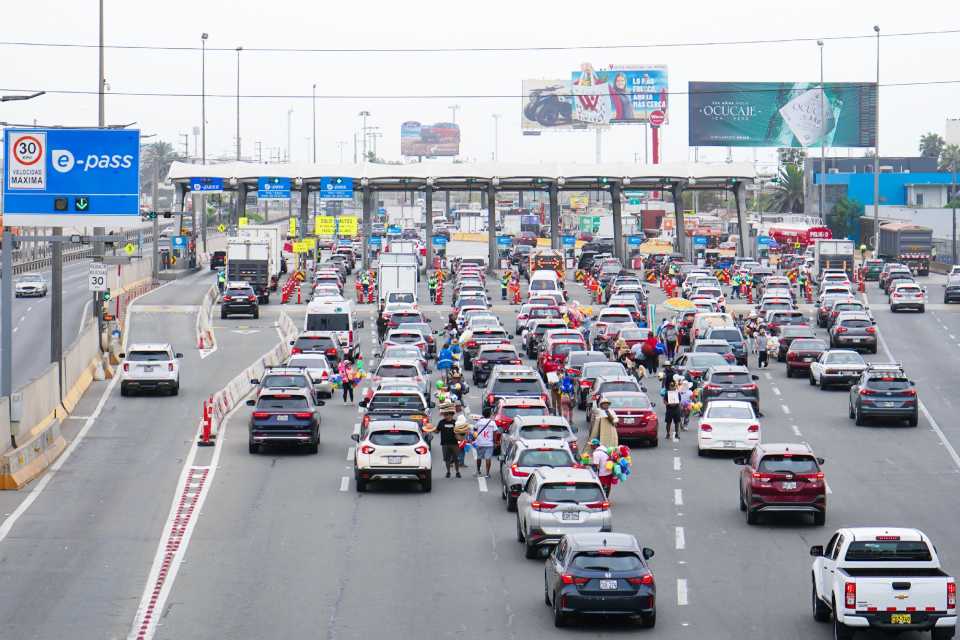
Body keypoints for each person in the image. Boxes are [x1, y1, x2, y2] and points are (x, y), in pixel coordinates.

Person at [436, 404, 461, 478]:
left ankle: (457, 472)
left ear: (451, 415)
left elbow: (460, 432)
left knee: (456, 459)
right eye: (444, 414)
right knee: (447, 459)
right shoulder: (441, 422)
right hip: (445, 443)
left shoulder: (455, 422)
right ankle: (448, 472)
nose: (445, 416)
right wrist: (431, 429)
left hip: (454, 443)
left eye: (447, 414)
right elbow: (437, 431)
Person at [471, 408, 497, 478]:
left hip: (480, 442)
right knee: (488, 458)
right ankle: (487, 474)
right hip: (489, 443)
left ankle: (478, 471)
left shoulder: (479, 422)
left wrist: (474, 438)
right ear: (490, 414)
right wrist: (495, 442)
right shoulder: (492, 422)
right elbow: (495, 433)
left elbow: (475, 430)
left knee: (479, 457)